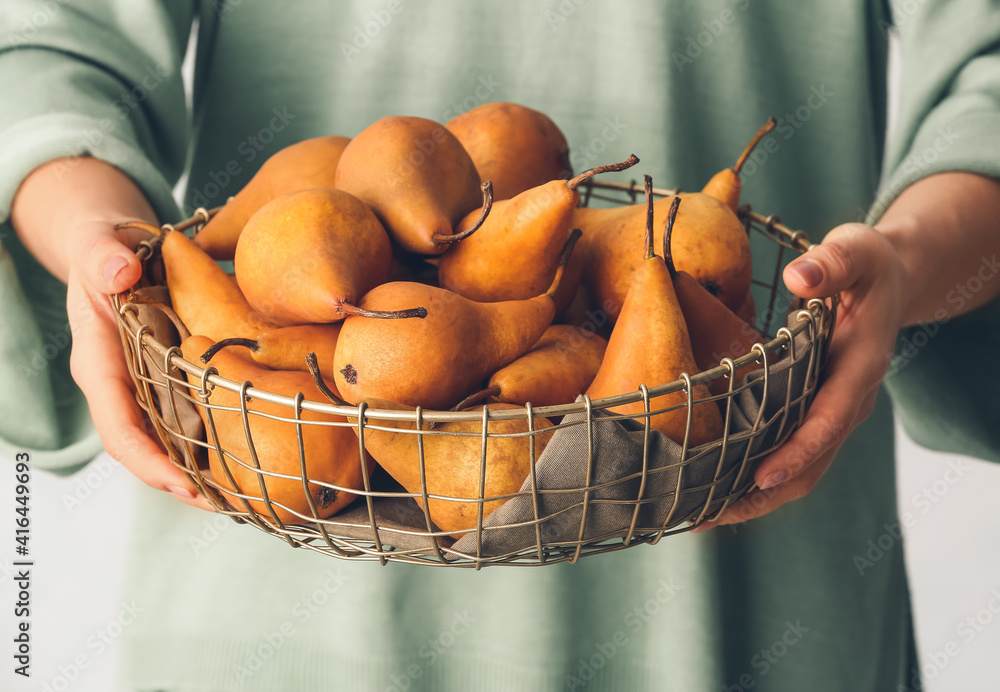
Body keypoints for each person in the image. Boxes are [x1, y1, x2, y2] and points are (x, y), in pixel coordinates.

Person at [2, 1, 999, 690]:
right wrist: (106, 250)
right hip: (279, 566)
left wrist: (906, 260)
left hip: (740, 515)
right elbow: (45, 51)